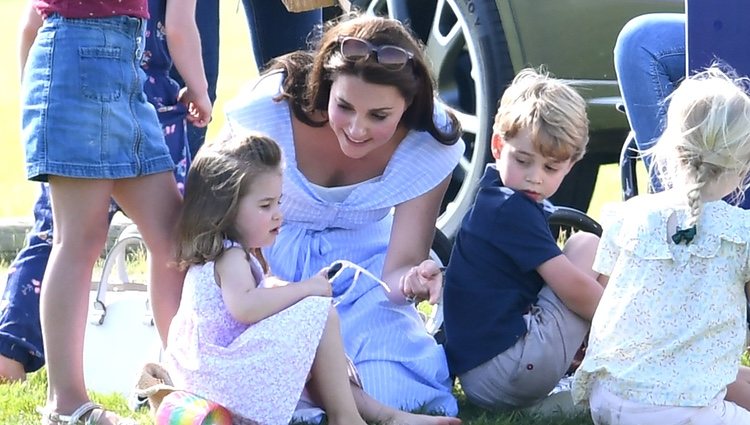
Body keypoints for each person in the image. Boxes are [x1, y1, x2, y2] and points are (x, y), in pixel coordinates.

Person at [221, 13, 465, 418]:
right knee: (265, 374)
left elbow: (396, 271)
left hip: (362, 274)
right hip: (269, 266)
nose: (356, 128)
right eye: (344, 106)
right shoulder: (267, 112)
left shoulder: (430, 144)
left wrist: (412, 280)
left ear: (408, 105)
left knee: (392, 382)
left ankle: (367, 406)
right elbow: (223, 224)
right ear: (326, 85)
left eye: (379, 116)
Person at [164, 133, 460, 425]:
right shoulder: (230, 257)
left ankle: (386, 416)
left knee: (316, 348)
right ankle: (347, 418)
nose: (278, 215)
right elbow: (245, 307)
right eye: (266, 206)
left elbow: (248, 303)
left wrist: (285, 291)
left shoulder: (229, 253)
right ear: (224, 209)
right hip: (221, 375)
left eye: (279, 202)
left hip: (216, 369)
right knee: (320, 316)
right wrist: (307, 289)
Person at [0, 0, 212, 386]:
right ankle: (65, 401)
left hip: (124, 72)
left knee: (172, 238)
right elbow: (179, 27)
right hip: (80, 59)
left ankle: (187, 384)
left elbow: (31, 21)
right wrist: (199, 89)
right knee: (79, 239)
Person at [572, 66, 750, 425]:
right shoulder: (741, 234)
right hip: (681, 410)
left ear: (671, 147)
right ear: (744, 165)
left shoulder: (628, 216)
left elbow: (608, 304)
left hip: (608, 398)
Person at [441, 68, 605, 410]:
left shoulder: (494, 197)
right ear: (498, 145)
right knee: (587, 246)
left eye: (550, 168)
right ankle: (630, 360)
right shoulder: (510, 209)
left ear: (570, 165)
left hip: (483, 376)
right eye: (523, 160)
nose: (534, 179)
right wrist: (634, 320)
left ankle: (579, 378)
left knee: (584, 256)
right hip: (508, 368)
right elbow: (574, 289)